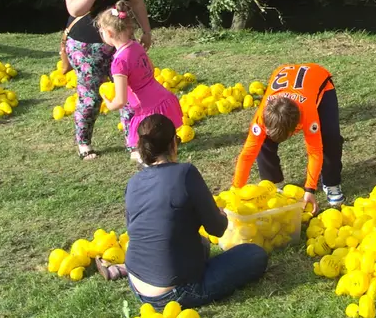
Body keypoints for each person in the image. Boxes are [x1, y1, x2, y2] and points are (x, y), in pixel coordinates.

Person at [104, 114, 269, 305]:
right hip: (175, 292)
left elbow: (140, 230)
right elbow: (217, 229)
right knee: (254, 255)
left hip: (137, 283)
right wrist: (220, 215)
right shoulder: (185, 173)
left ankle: (125, 269)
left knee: (202, 244)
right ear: (174, 142)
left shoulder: (133, 183)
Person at [62, 0, 152, 160]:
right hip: (86, 45)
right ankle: (84, 144)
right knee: (91, 96)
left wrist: (146, 30)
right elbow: (74, 7)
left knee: (130, 92)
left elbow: (137, 0)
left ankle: (133, 143)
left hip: (121, 43)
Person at [232, 62, 344, 212]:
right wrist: (235, 191)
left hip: (319, 80)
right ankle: (273, 184)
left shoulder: (307, 114)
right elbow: (247, 155)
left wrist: (309, 189)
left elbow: (315, 152)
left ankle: (331, 183)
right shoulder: (261, 117)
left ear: (297, 127)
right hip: (286, 79)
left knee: (330, 137)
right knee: (262, 142)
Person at [96, 1, 183, 163]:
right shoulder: (136, 46)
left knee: (148, 151)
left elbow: (120, 101)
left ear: (109, 33)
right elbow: (151, 67)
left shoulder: (119, 62)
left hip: (147, 109)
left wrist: (109, 104)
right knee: (163, 140)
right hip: (162, 98)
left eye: (101, 31)